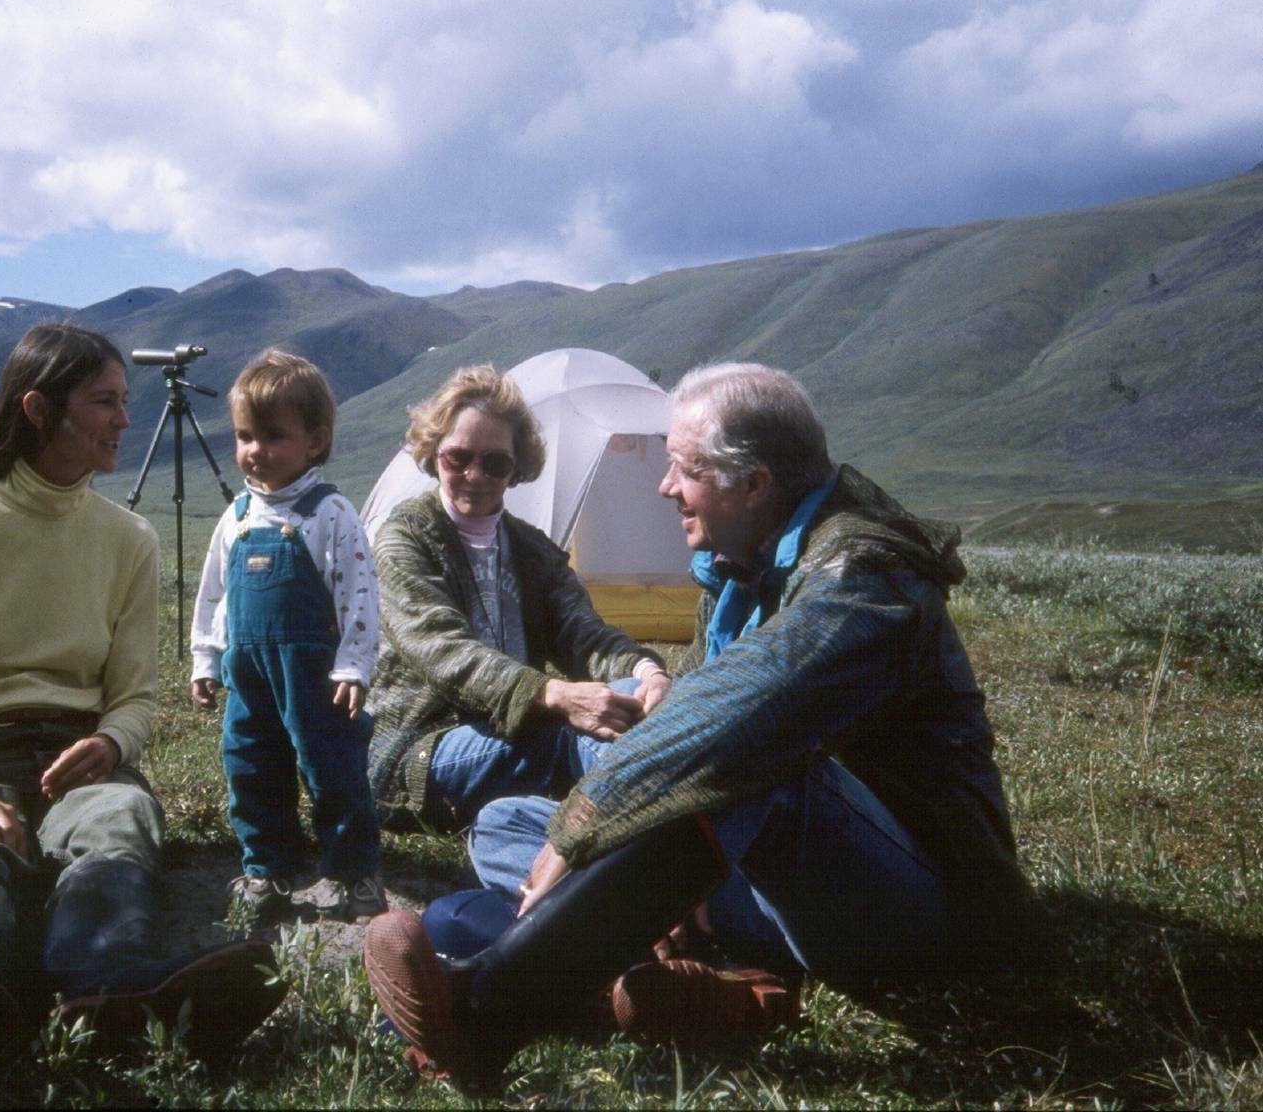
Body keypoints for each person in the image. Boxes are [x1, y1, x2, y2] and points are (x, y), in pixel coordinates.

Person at [364, 361, 1029, 1093]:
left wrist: (591, 818)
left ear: (753, 484)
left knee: (759, 762)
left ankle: (489, 1009)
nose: (663, 486)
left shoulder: (861, 577)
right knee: (503, 822)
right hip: (781, 877)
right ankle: (713, 984)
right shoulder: (743, 565)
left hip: (920, 910)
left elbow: (741, 717)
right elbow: (444, 648)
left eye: (682, 469)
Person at [0, 324, 286, 1060]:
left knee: (117, 820)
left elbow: (135, 697)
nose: (124, 420)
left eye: (124, 401)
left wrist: (111, 743)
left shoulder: (130, 539)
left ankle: (100, 987)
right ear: (41, 410)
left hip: (83, 754)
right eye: (105, 402)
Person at [367, 364, 671, 836]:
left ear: (516, 467)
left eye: (494, 463)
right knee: (569, 735)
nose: (474, 475)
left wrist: (647, 674)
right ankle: (664, 833)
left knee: (633, 699)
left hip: (515, 730)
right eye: (458, 458)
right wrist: (553, 694)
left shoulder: (530, 549)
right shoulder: (404, 537)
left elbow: (582, 634)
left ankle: (659, 828)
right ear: (433, 456)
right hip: (421, 749)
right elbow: (443, 650)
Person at [190, 348, 385, 925]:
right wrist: (206, 657)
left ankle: (355, 873)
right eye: (245, 435)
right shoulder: (238, 516)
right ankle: (269, 866)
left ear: (315, 441)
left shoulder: (330, 513)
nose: (255, 450)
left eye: (274, 436)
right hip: (248, 675)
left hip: (315, 676)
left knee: (331, 769)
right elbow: (214, 594)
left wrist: (353, 665)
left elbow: (360, 594)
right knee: (248, 763)